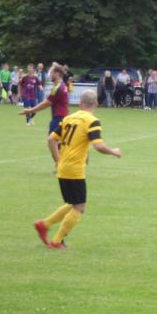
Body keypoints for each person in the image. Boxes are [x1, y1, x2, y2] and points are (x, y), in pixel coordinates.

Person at [33, 89, 122, 249]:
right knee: (79, 207)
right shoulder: (92, 121)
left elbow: (51, 139)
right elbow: (99, 146)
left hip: (63, 168)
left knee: (72, 203)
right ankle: (57, 241)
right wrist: (114, 152)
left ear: (80, 103)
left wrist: (58, 159)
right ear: (96, 104)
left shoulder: (68, 118)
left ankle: (44, 225)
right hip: (74, 170)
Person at [19, 63, 70, 166]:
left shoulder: (58, 88)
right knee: (58, 143)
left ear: (57, 73)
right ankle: (64, 163)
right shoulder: (62, 85)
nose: (49, 75)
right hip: (62, 117)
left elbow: (46, 103)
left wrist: (30, 110)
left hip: (58, 118)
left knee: (52, 142)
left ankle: (60, 166)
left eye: (51, 73)